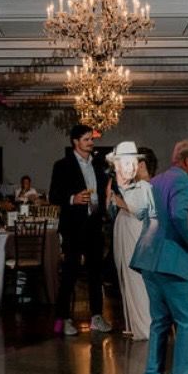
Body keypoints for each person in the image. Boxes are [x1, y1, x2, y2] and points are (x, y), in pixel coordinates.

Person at [130, 139, 188, 374]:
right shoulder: (183, 181)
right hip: (171, 261)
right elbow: (179, 216)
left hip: (149, 259)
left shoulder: (156, 182)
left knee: (160, 321)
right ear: (187, 162)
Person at [48, 125, 111, 336]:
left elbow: (105, 191)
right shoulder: (62, 165)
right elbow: (53, 196)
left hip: (94, 224)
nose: (91, 143)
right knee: (70, 272)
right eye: (86, 139)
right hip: (73, 226)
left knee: (95, 272)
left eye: (91, 139)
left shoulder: (99, 164)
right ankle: (63, 318)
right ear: (75, 141)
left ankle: (96, 317)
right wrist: (72, 199)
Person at [107, 141, 155, 341]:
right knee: (128, 278)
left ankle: (145, 327)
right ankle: (135, 324)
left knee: (137, 280)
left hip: (136, 235)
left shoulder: (146, 186)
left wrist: (120, 202)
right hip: (126, 232)